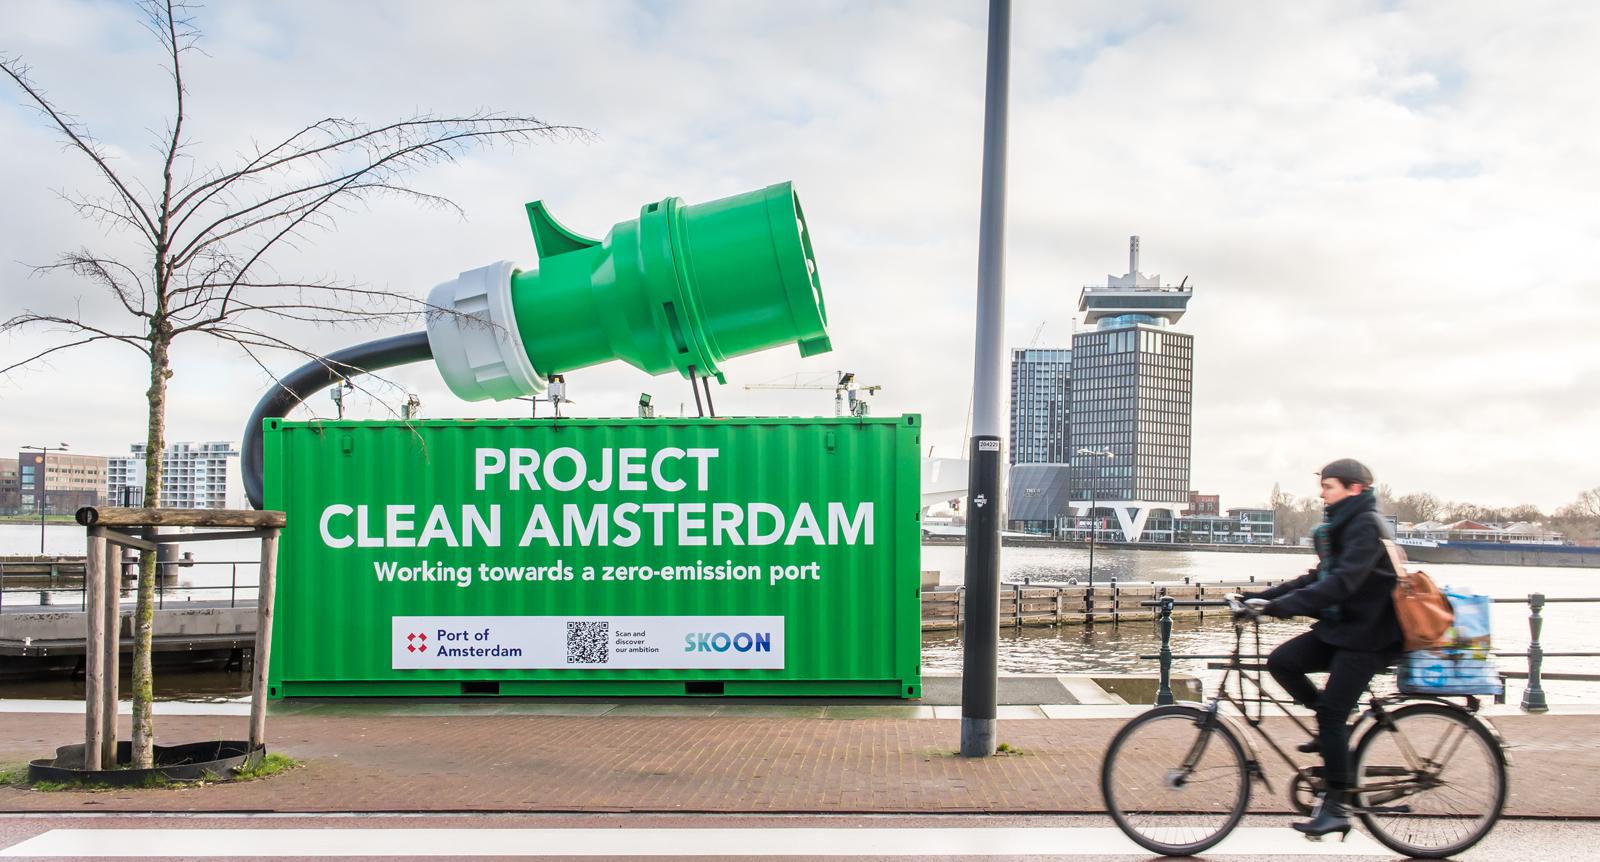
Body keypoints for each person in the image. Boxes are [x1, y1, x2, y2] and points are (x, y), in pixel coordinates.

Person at [1242, 458, 1402, 839]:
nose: (1322, 493)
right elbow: (1318, 576)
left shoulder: (1365, 525)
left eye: (1329, 487)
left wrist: (1282, 608)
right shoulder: (1346, 524)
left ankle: (1337, 808)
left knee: (1331, 715)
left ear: (1355, 488)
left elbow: (1343, 583)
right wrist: (1261, 598)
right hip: (1344, 629)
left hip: (1369, 636)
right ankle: (1335, 733)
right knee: (1283, 662)